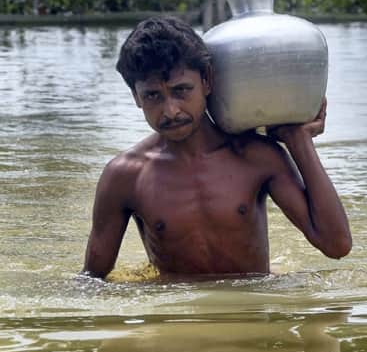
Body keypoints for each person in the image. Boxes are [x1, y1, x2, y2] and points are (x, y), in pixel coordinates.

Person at [82, 17, 351, 279]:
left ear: (207, 81)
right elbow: (92, 279)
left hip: (254, 313)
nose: (171, 110)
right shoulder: (125, 176)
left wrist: (298, 140)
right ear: (135, 97)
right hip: (177, 319)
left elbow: (336, 245)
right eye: (153, 96)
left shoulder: (256, 157)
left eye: (181, 90)